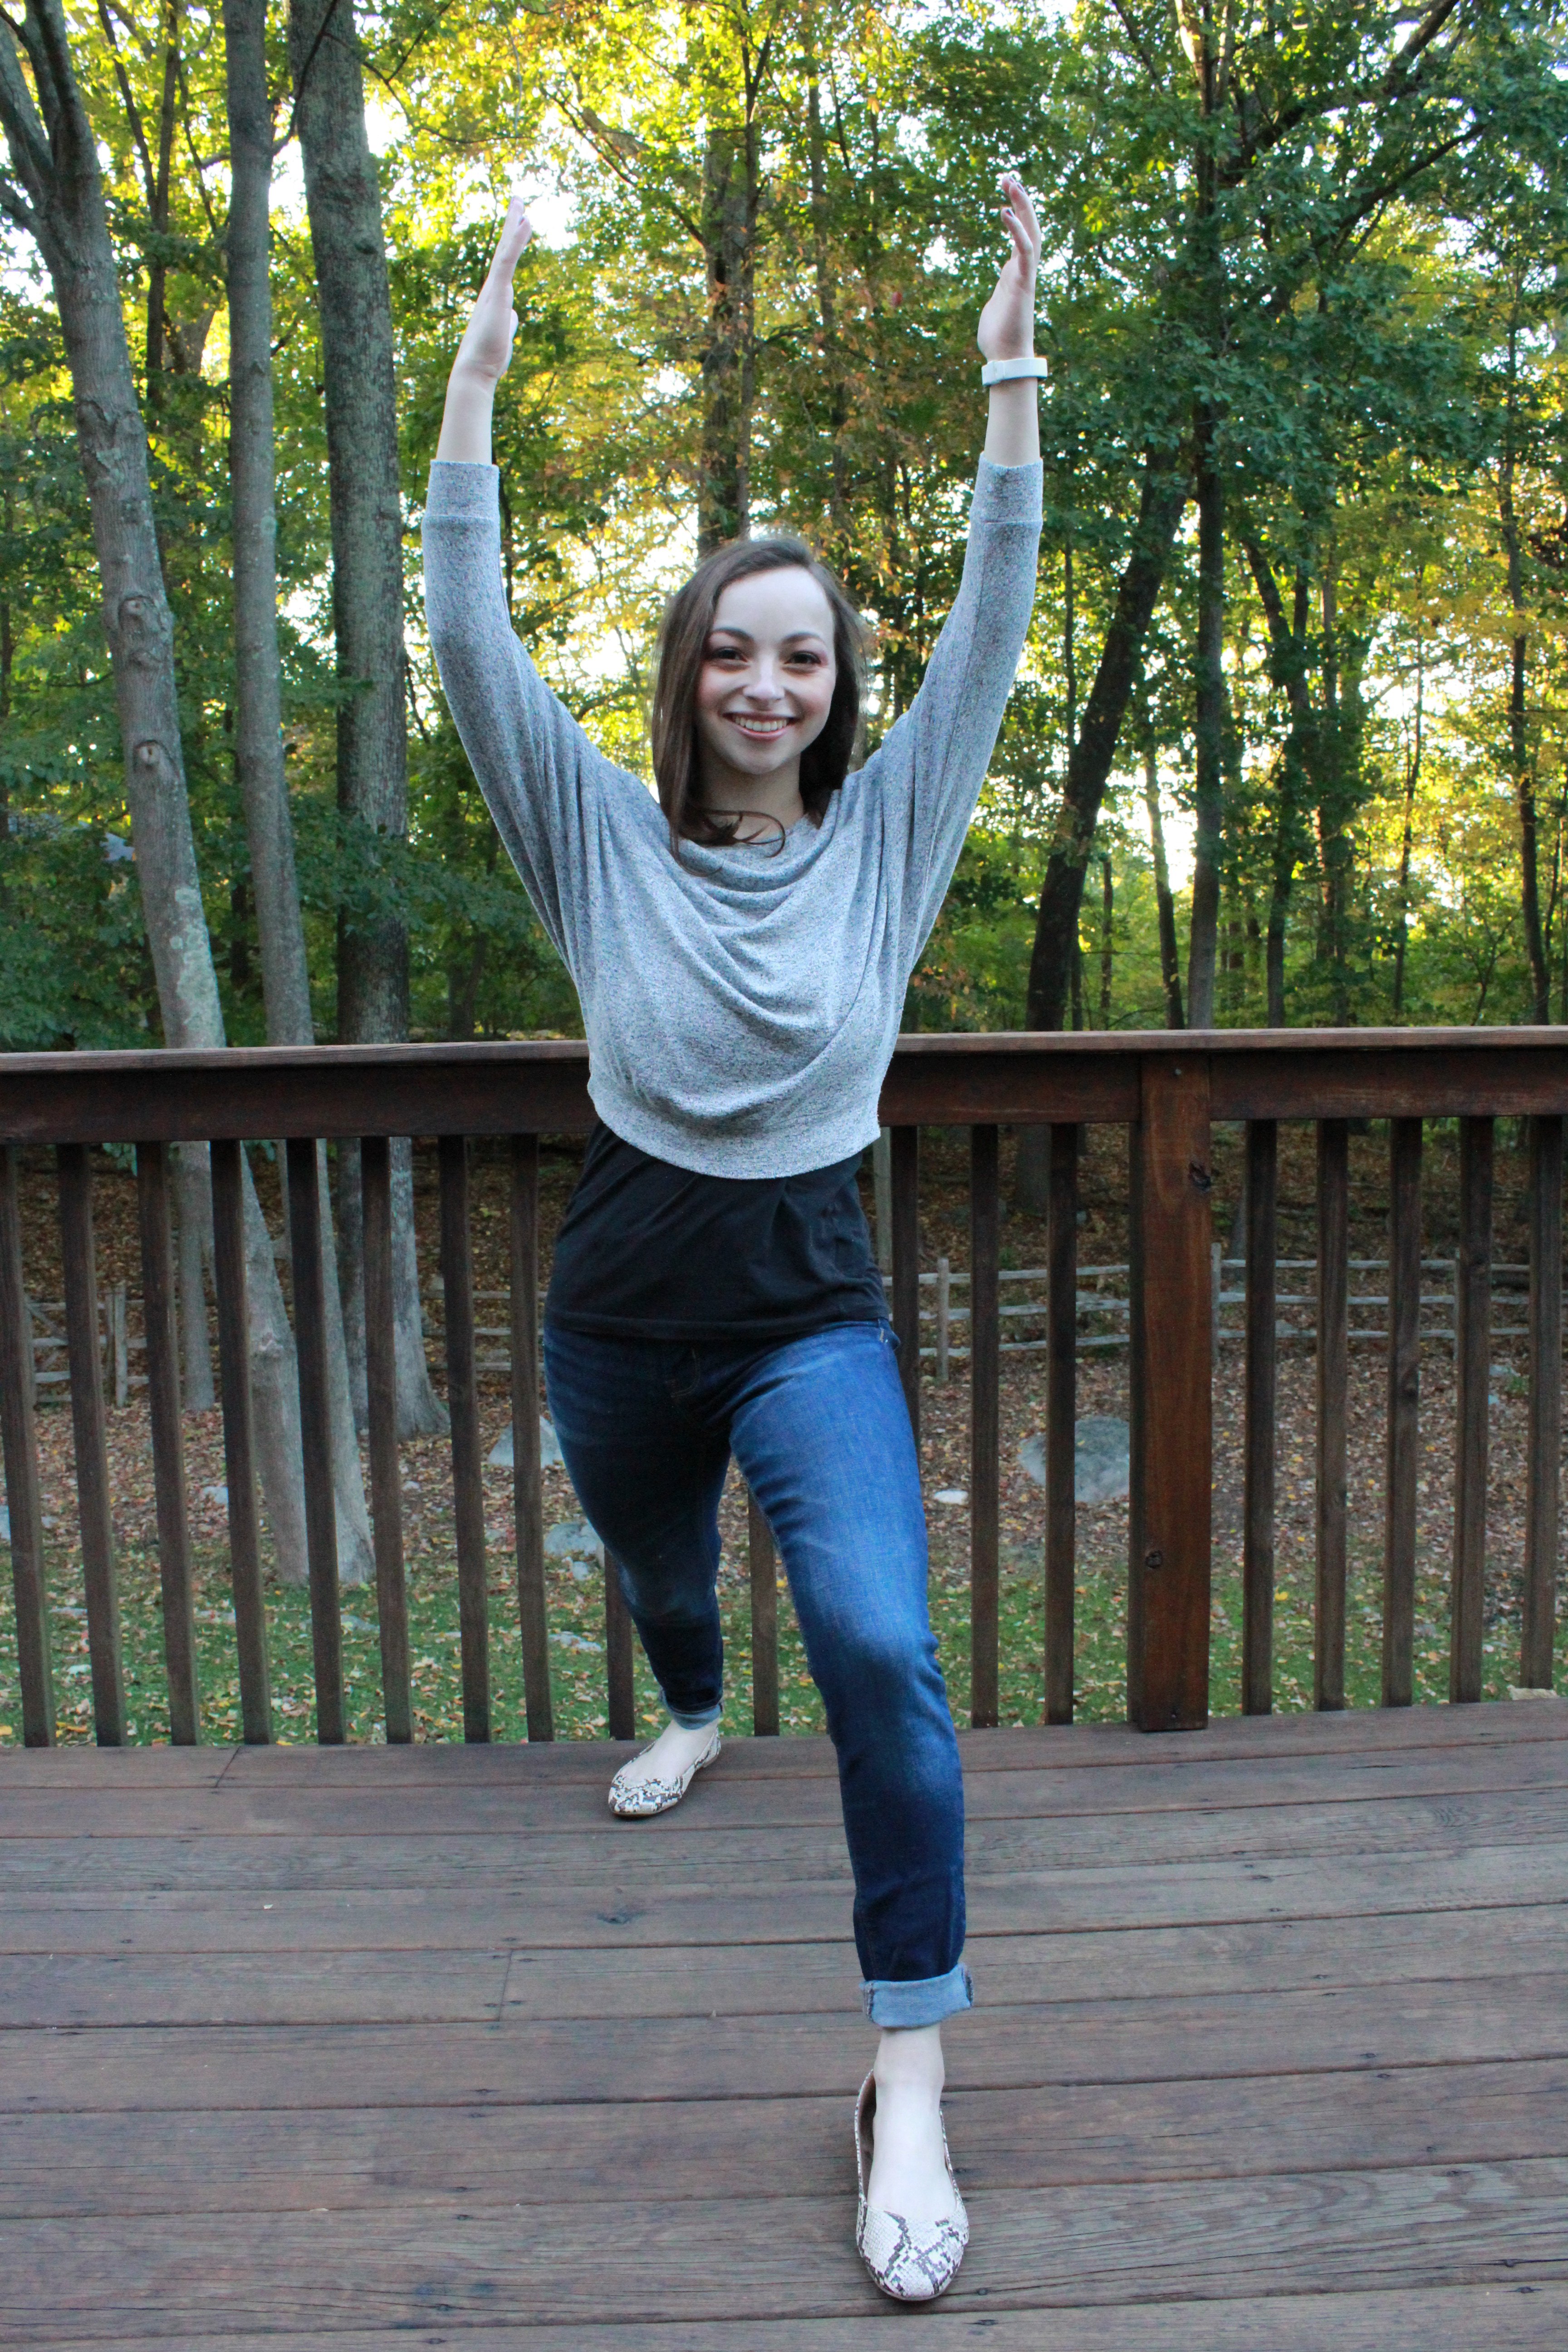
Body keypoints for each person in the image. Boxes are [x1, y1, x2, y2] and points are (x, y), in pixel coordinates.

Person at [424, 173, 1043, 2303]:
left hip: (810, 1304)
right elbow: (467, 642)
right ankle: (689, 1704)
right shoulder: (595, 830)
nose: (765, 681)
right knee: (667, 1573)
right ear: (687, 674)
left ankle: (910, 2081)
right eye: (731, 649)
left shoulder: (891, 834)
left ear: (832, 688)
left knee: (878, 1647)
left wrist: (1010, 381)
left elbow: (996, 613)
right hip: (615, 1301)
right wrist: (476, 399)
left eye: (802, 655)